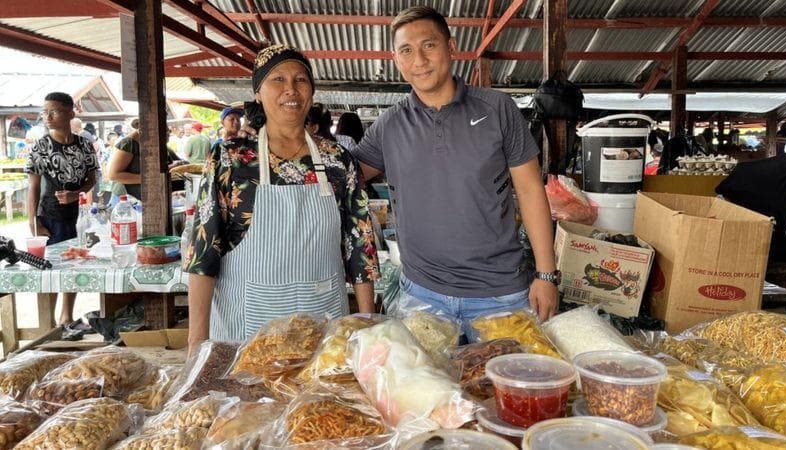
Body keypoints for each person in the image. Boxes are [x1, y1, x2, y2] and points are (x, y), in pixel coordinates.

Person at [351, 6, 559, 341]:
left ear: (452, 47)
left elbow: (531, 190)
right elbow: (343, 176)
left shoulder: (497, 109)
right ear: (397, 59)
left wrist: (546, 275)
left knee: (510, 391)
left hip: (499, 294)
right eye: (406, 50)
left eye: (429, 45)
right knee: (425, 393)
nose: (419, 60)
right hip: (422, 295)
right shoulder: (389, 125)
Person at [185, 44, 379, 349]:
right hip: (247, 327)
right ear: (258, 92)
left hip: (322, 323)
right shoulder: (230, 159)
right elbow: (203, 253)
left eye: (301, 80)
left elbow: (360, 248)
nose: (291, 89)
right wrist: (196, 347)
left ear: (312, 92)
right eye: (278, 80)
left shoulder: (338, 160)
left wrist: (369, 328)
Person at [25, 92, 98, 326]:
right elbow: (33, 187)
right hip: (50, 216)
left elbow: (91, 178)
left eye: (53, 111)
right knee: (49, 269)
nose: (47, 116)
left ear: (70, 112)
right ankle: (48, 325)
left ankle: (67, 317)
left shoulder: (85, 145)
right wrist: (33, 220)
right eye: (44, 111)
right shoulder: (41, 147)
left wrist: (77, 194)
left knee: (73, 265)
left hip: (78, 216)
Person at [107, 119, 142, 201]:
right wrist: (148, 179)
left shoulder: (147, 143)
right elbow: (113, 175)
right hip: (124, 197)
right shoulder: (129, 143)